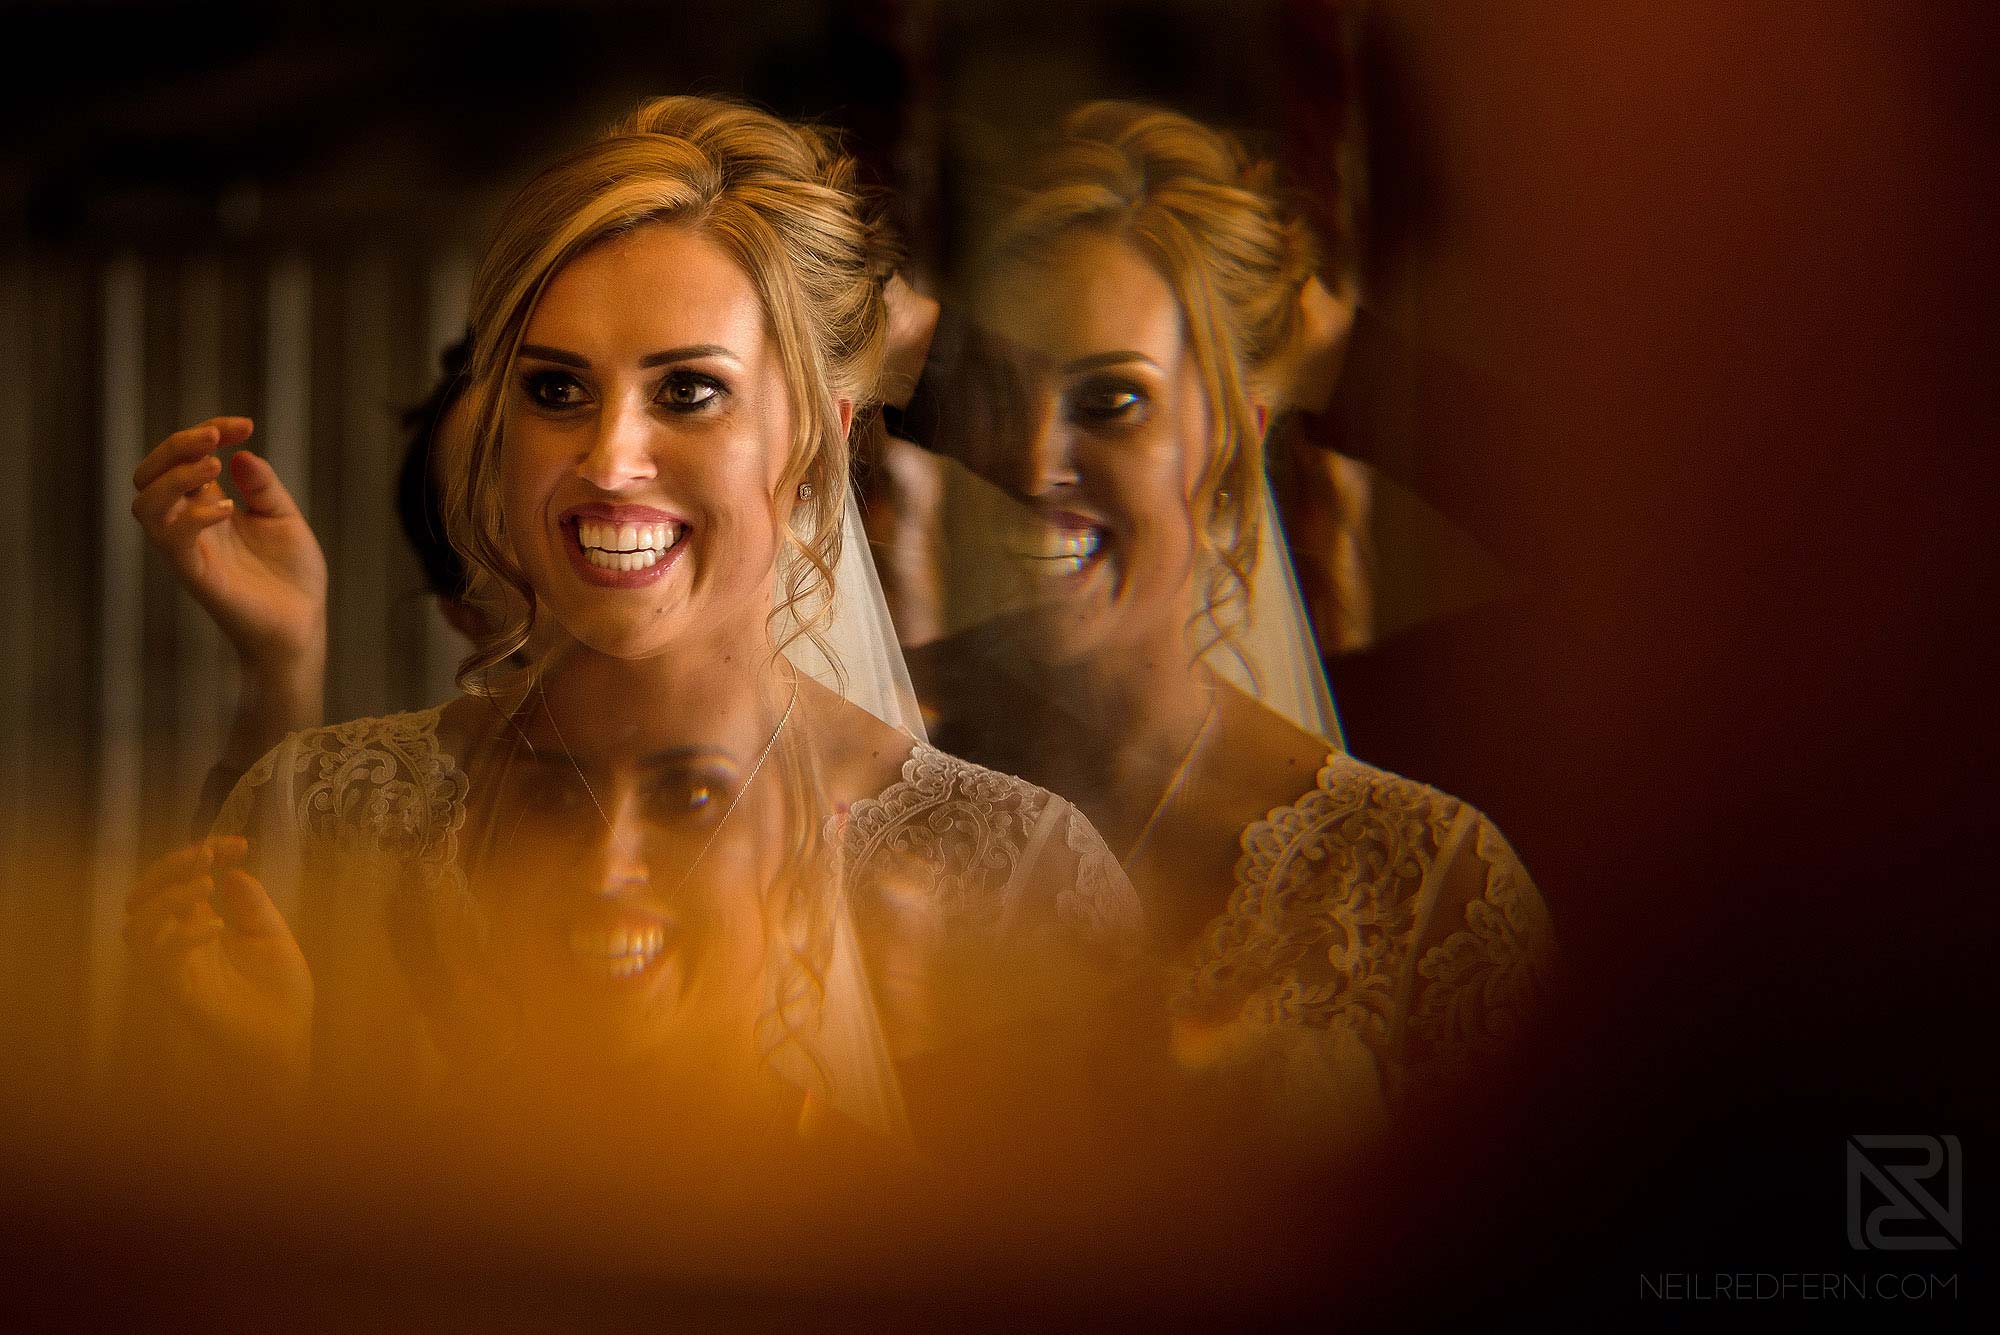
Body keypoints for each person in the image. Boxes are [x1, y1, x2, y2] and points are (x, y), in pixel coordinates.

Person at [121, 96, 1141, 1165]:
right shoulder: (319, 813)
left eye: (688, 390)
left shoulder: (1014, 877)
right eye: (557, 388)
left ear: (818, 436)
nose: (610, 461)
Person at [907, 102, 1555, 1148]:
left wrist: (1337, 355)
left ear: (1235, 440)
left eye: (1112, 402)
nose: (1028, 462)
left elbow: (1654, 583)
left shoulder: (1422, 877)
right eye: (993, 395)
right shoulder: (856, 760)